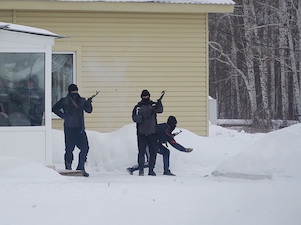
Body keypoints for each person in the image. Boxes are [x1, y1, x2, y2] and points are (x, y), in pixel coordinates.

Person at [127, 116, 193, 176]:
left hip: (156, 144)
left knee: (166, 152)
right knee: (150, 162)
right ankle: (132, 169)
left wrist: (168, 137)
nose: (175, 126)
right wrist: (185, 149)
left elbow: (163, 136)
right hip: (149, 144)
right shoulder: (166, 129)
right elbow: (173, 142)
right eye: (174, 124)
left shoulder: (164, 127)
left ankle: (166, 171)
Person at [52, 84, 93, 177]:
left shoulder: (67, 100)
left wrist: (64, 116)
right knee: (82, 148)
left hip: (72, 129)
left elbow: (54, 109)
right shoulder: (79, 100)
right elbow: (89, 110)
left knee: (71, 149)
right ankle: (78, 168)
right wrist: (89, 102)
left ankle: (72, 168)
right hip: (76, 129)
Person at [132, 89, 163, 176]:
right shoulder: (137, 107)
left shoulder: (153, 105)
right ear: (141, 97)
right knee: (141, 152)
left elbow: (160, 110)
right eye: (144, 96)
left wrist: (159, 103)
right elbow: (134, 118)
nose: (145, 97)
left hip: (153, 133)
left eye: (147, 96)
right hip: (141, 134)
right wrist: (142, 118)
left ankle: (151, 170)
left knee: (153, 153)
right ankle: (141, 170)